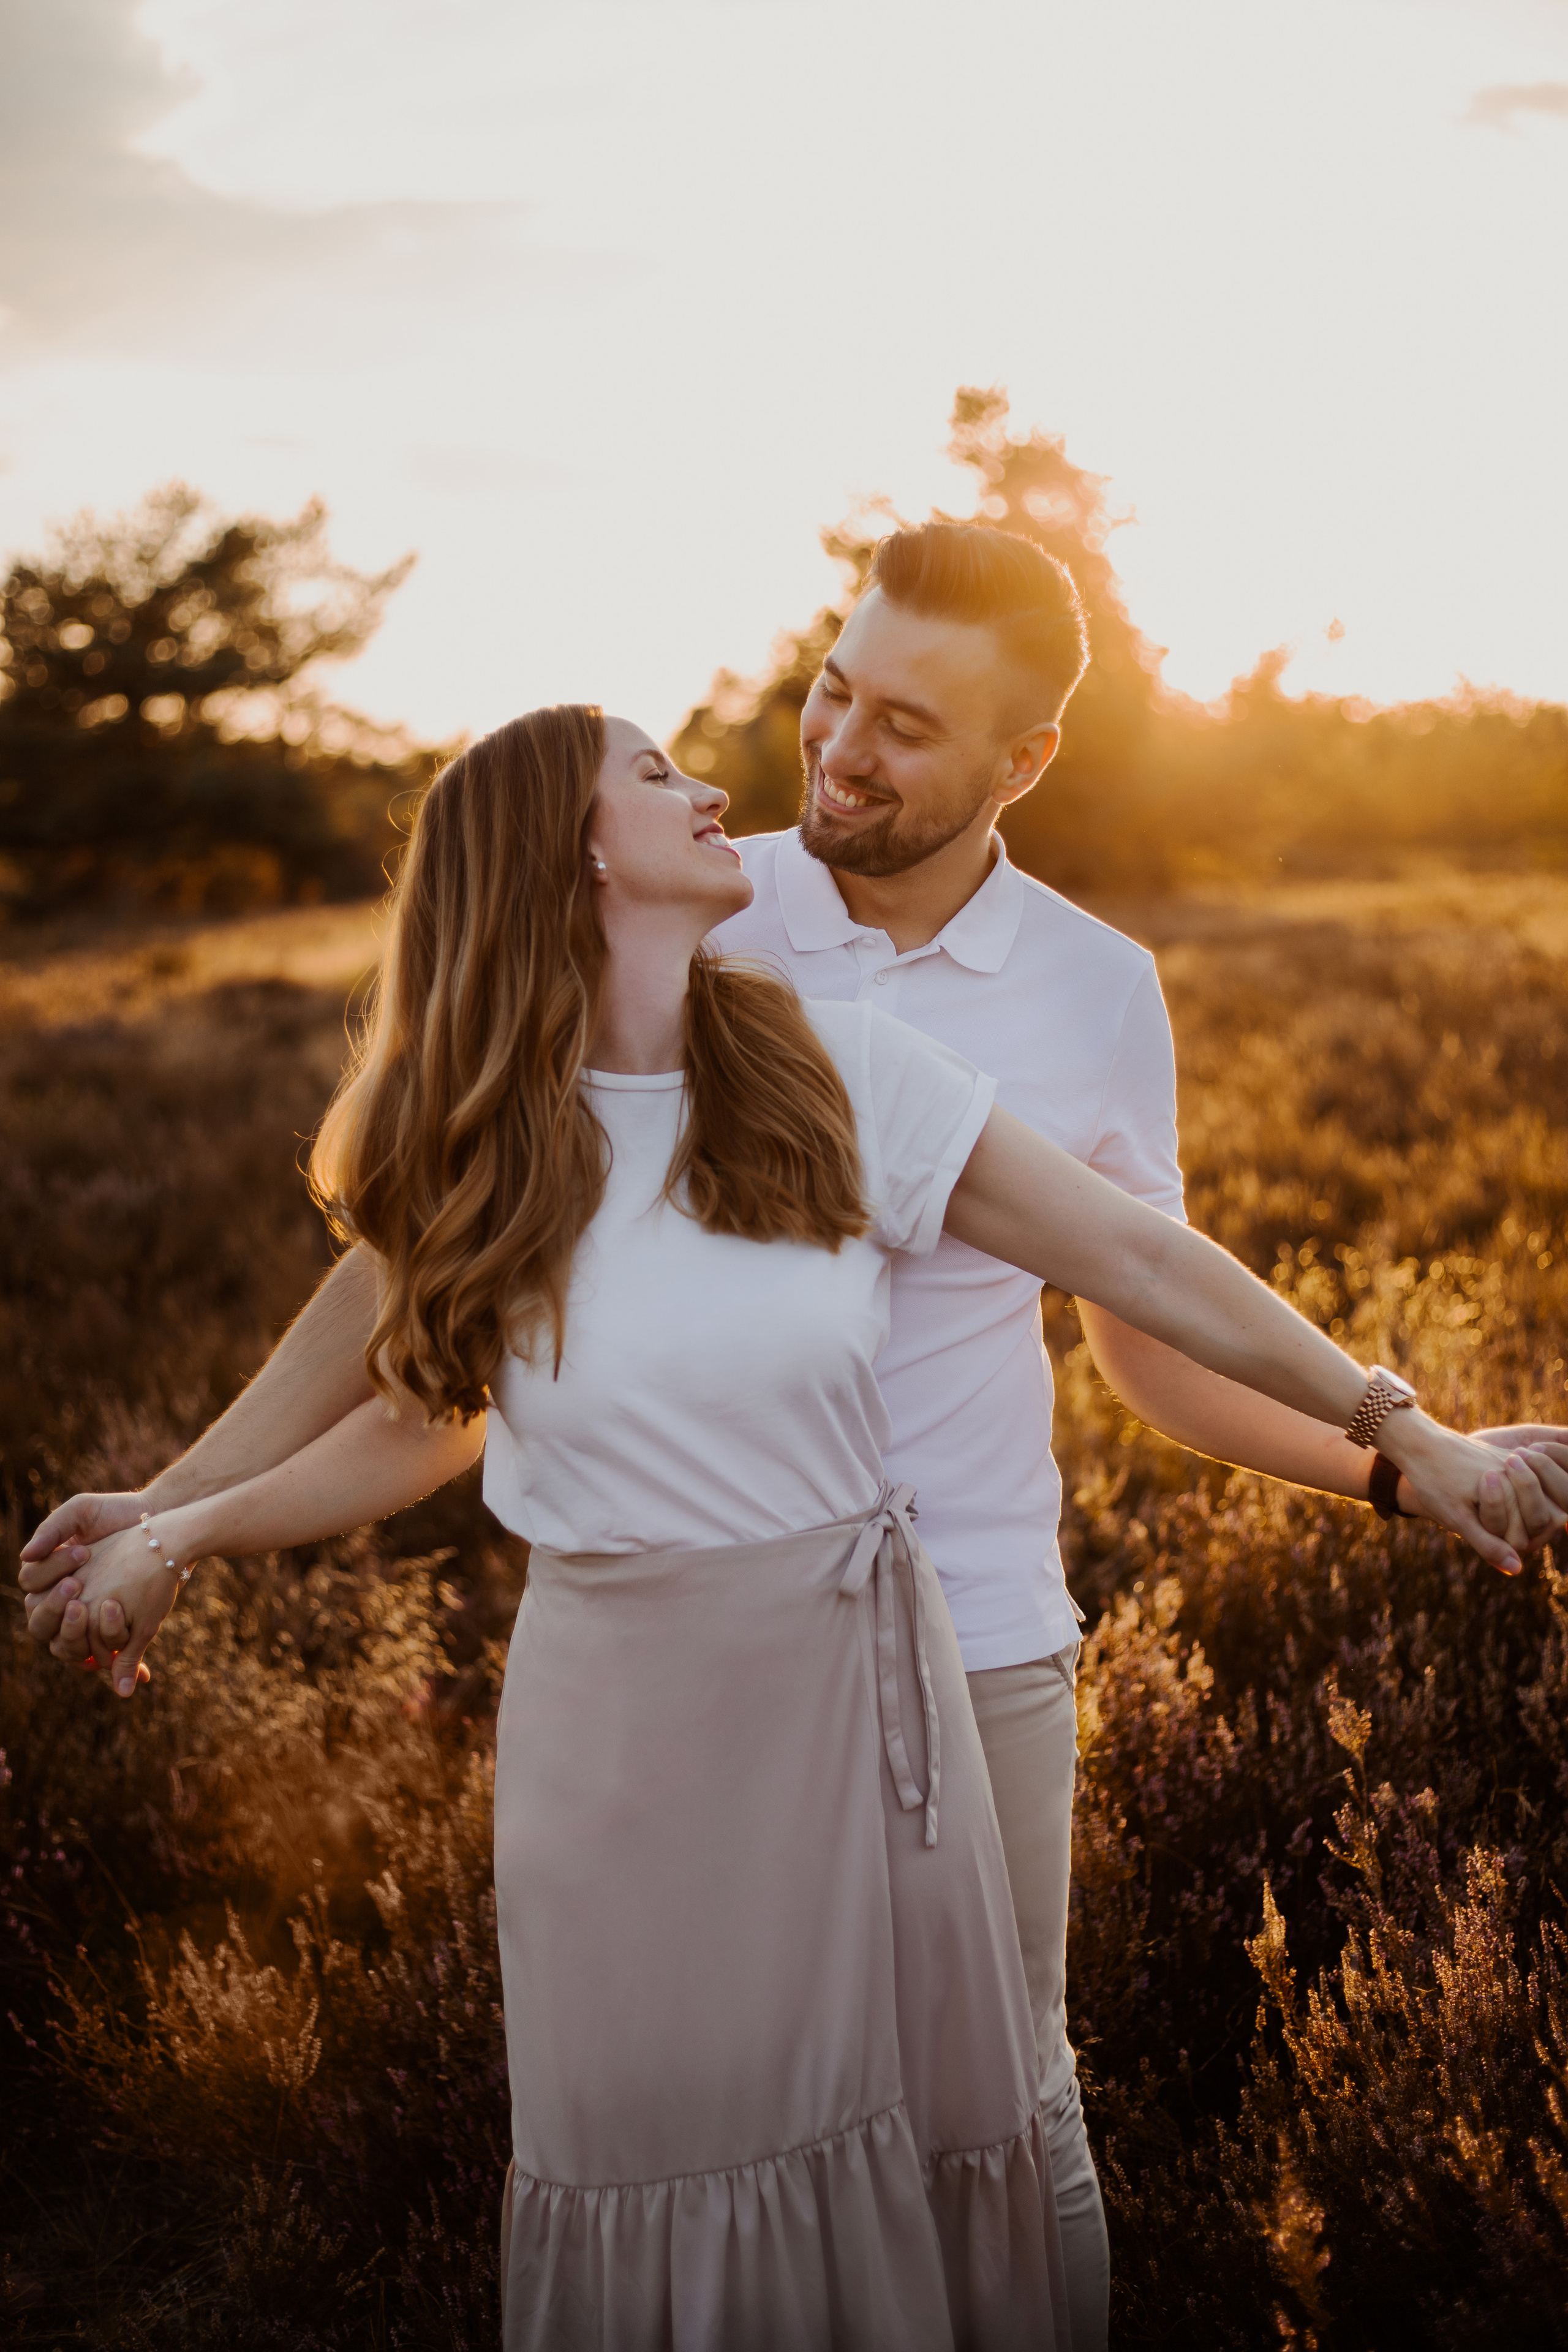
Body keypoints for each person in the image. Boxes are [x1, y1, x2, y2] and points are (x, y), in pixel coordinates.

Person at [21, 541, 1568, 2348]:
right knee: (698, 2147)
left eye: (903, 723)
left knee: (983, 2107)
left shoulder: (1015, 1011)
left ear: (1021, 761)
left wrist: (1400, 1444)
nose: (819, 750)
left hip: (954, 1635)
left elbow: (1145, 1307)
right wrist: (182, 1503)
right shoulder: (692, 921)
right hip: (657, 1684)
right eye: (835, 687)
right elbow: (410, 1331)